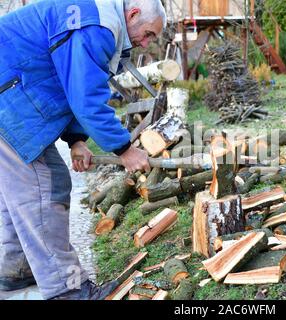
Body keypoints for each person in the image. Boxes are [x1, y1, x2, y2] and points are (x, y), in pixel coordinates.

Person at [0, 0, 166, 300]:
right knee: (45, 187)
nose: (146, 43)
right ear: (134, 14)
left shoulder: (94, 16)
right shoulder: (98, 25)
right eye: (150, 34)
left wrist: (76, 140)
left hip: (11, 93)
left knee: (22, 192)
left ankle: (17, 270)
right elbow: (86, 98)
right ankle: (68, 290)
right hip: (9, 99)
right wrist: (125, 149)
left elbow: (72, 80)